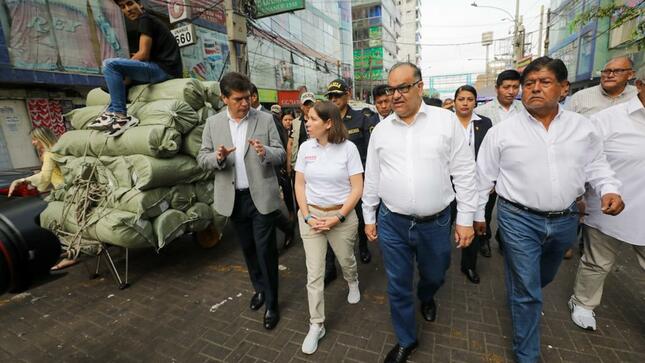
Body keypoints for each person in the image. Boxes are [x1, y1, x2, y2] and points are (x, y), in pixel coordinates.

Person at [473, 56, 624, 363]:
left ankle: (521, 288)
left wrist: (610, 189)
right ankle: (527, 355)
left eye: (544, 82)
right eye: (529, 84)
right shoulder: (502, 132)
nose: (535, 89)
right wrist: (476, 217)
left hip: (566, 220)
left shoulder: (583, 128)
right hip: (517, 219)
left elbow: (596, 165)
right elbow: (482, 178)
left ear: (563, 88)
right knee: (529, 293)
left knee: (543, 277)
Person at [362, 62, 477, 363]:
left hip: (436, 224)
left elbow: (465, 173)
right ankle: (406, 339)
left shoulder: (445, 121)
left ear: (420, 87)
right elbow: (372, 176)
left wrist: (465, 220)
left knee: (435, 274)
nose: (396, 95)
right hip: (392, 223)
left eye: (403, 87)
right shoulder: (381, 131)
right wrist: (369, 216)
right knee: (398, 284)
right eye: (391, 89)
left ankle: (427, 296)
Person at [197, 72, 285, 330]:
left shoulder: (265, 119)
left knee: (265, 250)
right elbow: (202, 158)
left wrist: (265, 152)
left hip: (261, 199)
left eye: (247, 98)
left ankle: (272, 302)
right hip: (234, 199)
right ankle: (259, 289)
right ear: (224, 98)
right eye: (238, 99)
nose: (245, 104)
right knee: (247, 249)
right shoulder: (213, 124)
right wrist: (219, 157)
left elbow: (280, 154)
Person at [568, 65, 645, 331]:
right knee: (597, 262)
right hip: (609, 204)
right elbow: (586, 160)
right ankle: (583, 304)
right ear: (641, 85)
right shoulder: (609, 119)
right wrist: (581, 194)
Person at [294, 101, 364, 355]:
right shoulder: (305, 148)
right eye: (307, 118)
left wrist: (339, 217)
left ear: (328, 123)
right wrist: (306, 216)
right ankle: (316, 324)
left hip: (341, 216)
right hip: (312, 216)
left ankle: (352, 280)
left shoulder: (348, 149)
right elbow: (299, 185)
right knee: (314, 274)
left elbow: (357, 187)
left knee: (346, 260)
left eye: (312, 119)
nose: (307, 123)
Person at [88, 0, 182, 137]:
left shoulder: (145, 19)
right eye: (123, 7)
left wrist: (127, 67)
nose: (127, 9)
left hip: (165, 70)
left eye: (130, 3)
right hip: (163, 69)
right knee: (121, 81)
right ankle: (111, 111)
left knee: (110, 65)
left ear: (140, 4)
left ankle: (120, 116)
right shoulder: (145, 21)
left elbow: (143, 54)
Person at [325, 78, 376, 272]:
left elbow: (370, 151)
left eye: (337, 95)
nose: (334, 99)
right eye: (331, 96)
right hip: (335, 181)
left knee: (361, 217)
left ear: (347, 95)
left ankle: (362, 247)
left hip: (358, 179)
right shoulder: (326, 121)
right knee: (331, 219)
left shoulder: (361, 118)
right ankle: (330, 264)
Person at [450, 85, 494, 284]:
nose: (465, 103)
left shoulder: (485, 124)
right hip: (449, 183)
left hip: (477, 183)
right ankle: (438, 263)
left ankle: (469, 265)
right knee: (444, 224)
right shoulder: (446, 122)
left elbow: (490, 154)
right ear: (454, 101)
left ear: (475, 102)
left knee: (474, 224)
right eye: (461, 99)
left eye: (469, 99)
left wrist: (492, 179)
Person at [250, 84, 294, 250]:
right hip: (252, 171)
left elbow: (281, 143)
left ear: (253, 97)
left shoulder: (269, 117)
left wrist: (282, 166)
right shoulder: (244, 118)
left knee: (267, 207)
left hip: (270, 169)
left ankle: (287, 229)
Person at [567, 56, 636, 117]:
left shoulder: (639, 95)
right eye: (607, 71)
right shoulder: (580, 97)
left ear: (630, 75)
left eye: (617, 71)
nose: (610, 75)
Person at [289, 92, 316, 176]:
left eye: (311, 104)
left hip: (316, 162)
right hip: (299, 164)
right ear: (301, 106)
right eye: (306, 104)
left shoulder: (321, 121)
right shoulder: (295, 122)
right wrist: (289, 165)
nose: (308, 106)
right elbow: (290, 143)